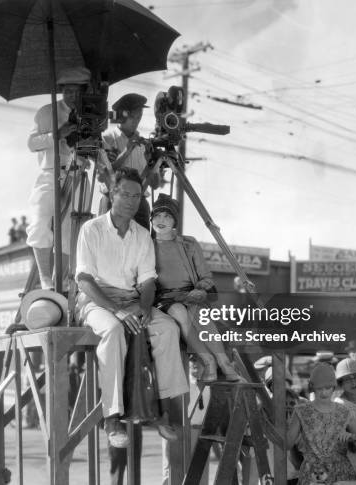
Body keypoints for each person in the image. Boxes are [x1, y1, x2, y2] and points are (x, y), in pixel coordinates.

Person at [75, 167, 189, 448]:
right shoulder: (92, 229)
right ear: (112, 194)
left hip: (134, 300)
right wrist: (118, 311)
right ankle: (112, 417)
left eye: (137, 196)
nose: (131, 201)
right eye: (125, 194)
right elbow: (85, 280)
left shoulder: (141, 235)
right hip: (97, 301)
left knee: (167, 328)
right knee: (114, 331)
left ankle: (163, 411)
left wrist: (143, 308)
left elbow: (148, 280)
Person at [150, 194, 242, 382]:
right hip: (165, 299)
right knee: (180, 314)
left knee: (200, 314)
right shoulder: (145, 245)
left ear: (175, 221)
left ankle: (223, 361)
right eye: (157, 216)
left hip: (191, 293)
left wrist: (200, 289)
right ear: (151, 218)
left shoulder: (189, 243)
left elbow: (206, 276)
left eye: (167, 216)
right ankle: (207, 361)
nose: (161, 221)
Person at [26, 66, 91, 290]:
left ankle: (58, 283)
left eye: (78, 91)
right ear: (62, 89)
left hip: (78, 174)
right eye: (69, 91)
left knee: (70, 231)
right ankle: (45, 280)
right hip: (51, 173)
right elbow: (32, 144)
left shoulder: (91, 112)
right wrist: (57, 134)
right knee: (39, 222)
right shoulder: (46, 112)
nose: (73, 96)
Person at [287, 363, 356, 485]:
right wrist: (284, 424)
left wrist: (352, 437)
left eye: (328, 388)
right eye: (320, 389)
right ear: (313, 387)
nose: (324, 393)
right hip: (313, 474)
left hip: (341, 474)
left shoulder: (344, 411)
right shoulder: (301, 411)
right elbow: (287, 445)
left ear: (334, 387)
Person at [98, 93, 161, 229]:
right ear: (121, 116)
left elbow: (156, 184)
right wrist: (126, 151)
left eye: (139, 116)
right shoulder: (108, 138)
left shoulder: (145, 144)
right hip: (113, 201)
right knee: (108, 246)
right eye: (133, 116)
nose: (136, 121)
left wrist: (152, 164)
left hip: (139, 204)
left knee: (141, 247)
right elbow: (103, 175)